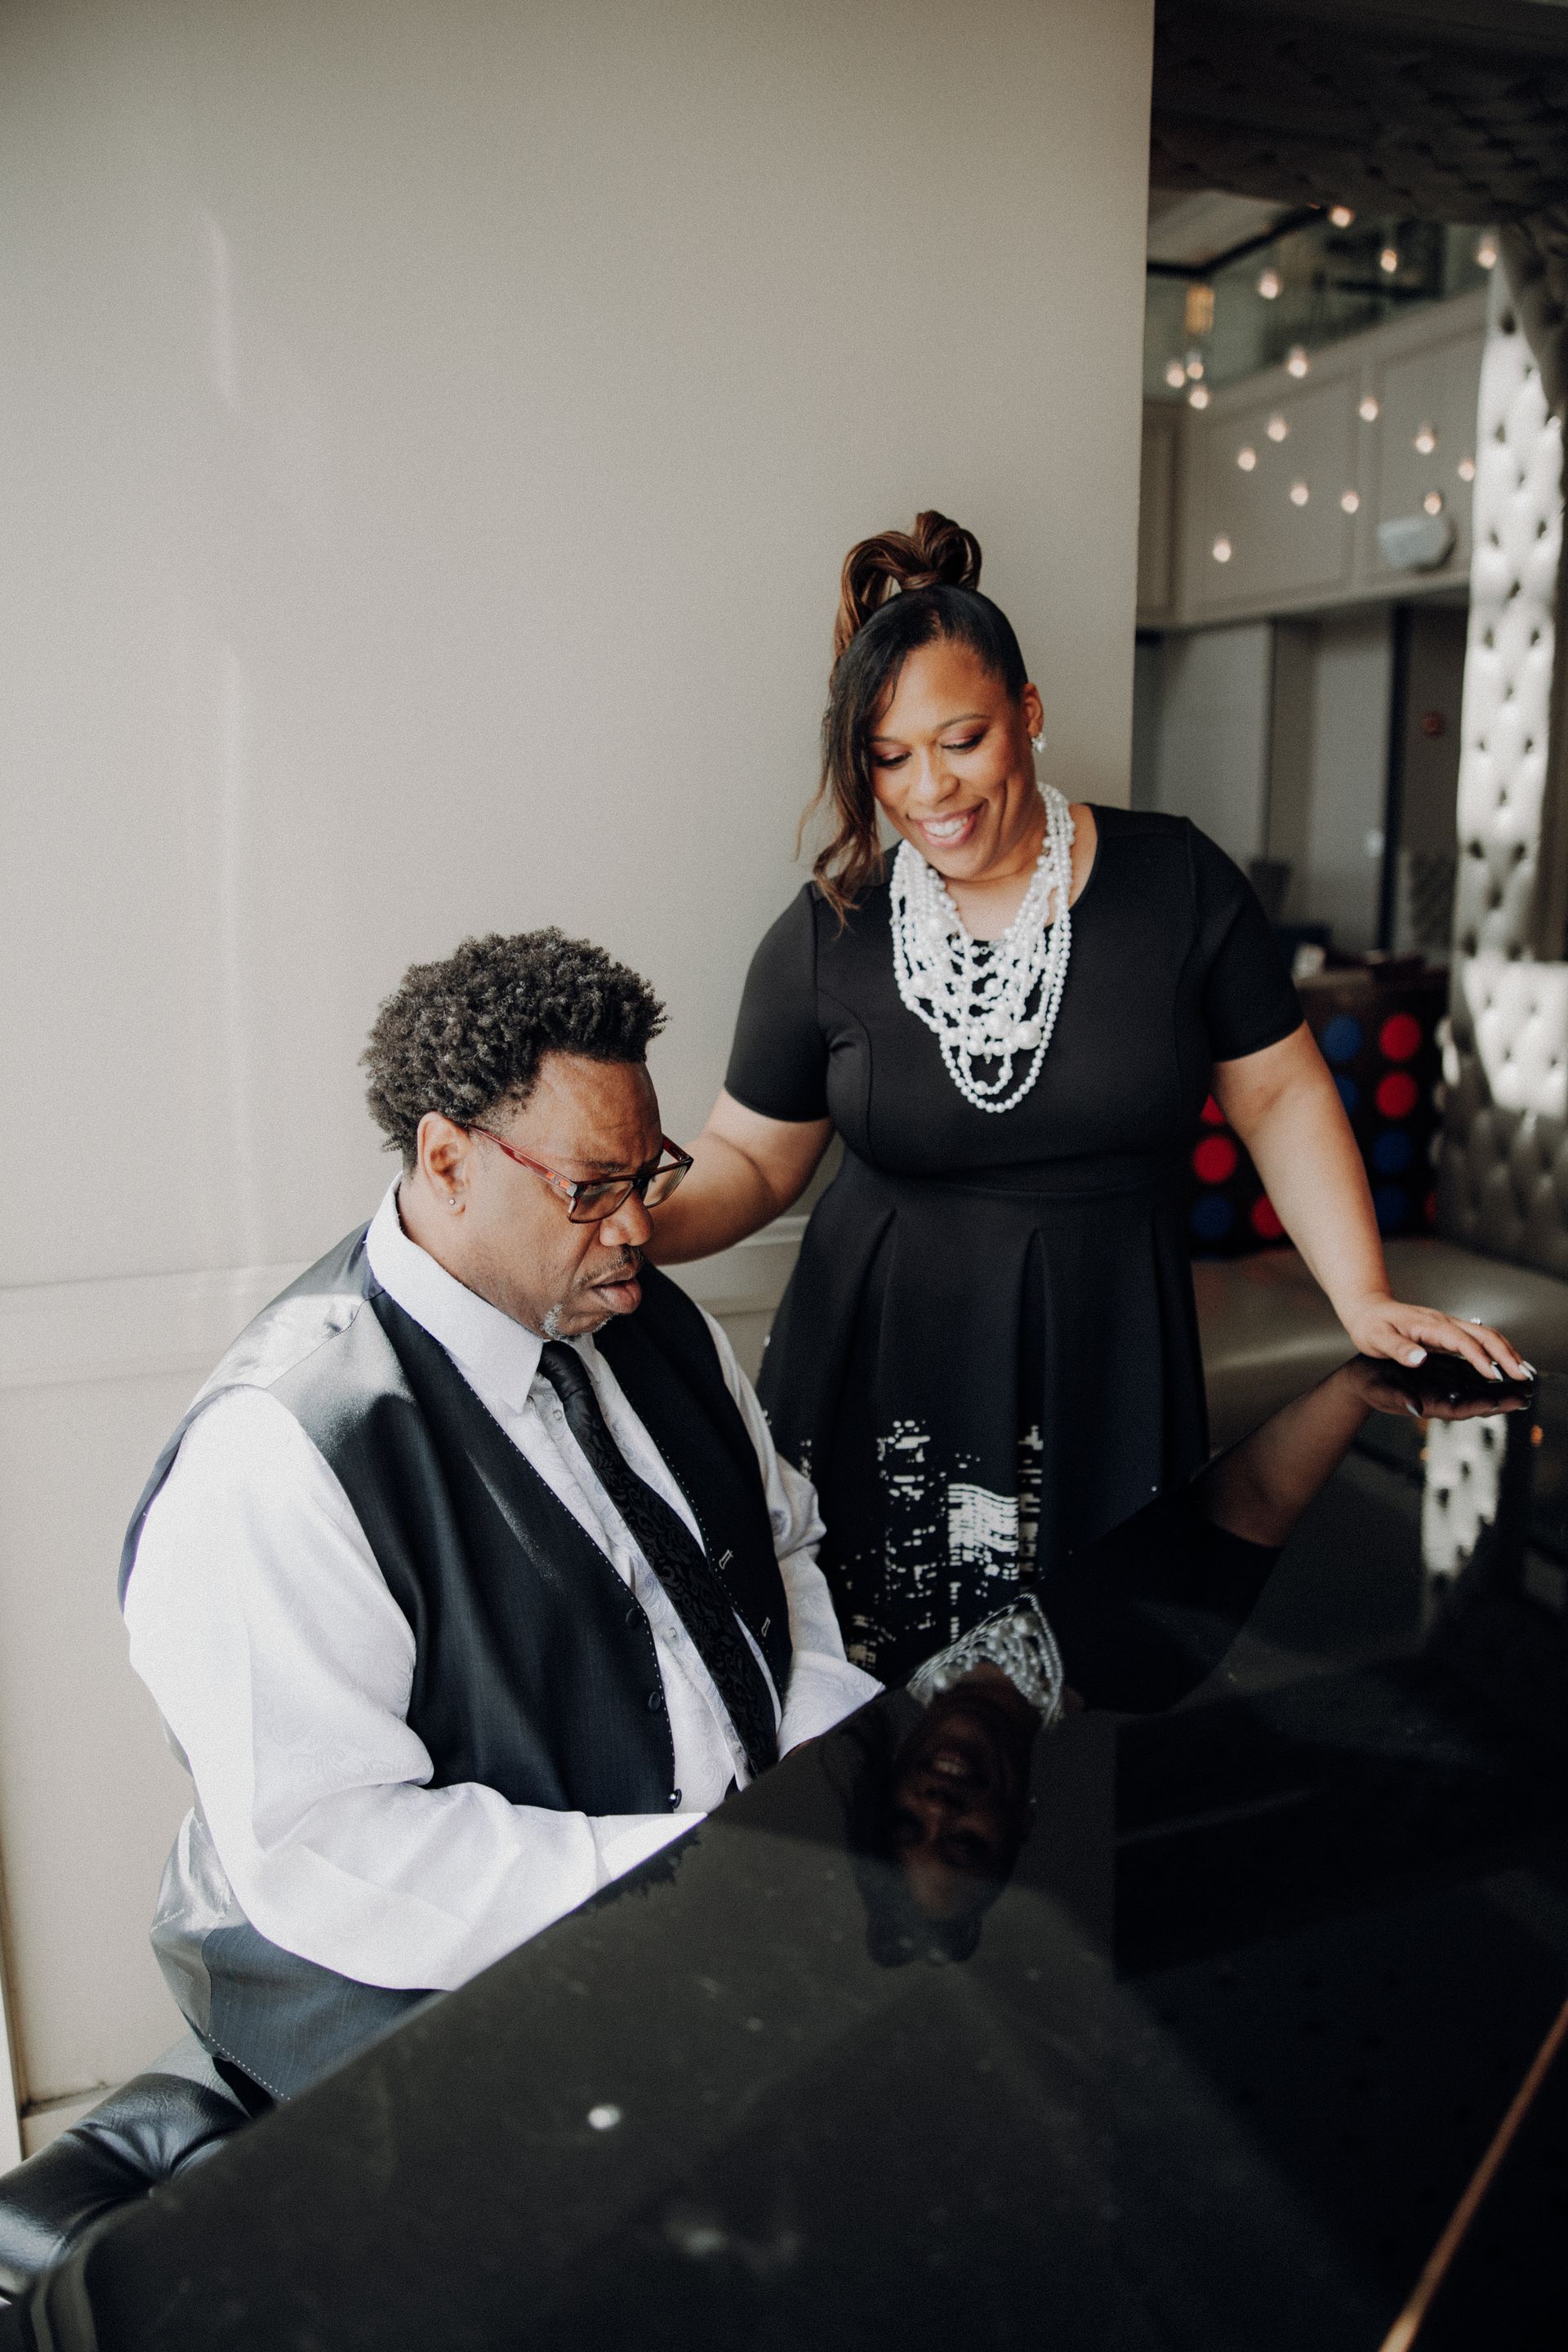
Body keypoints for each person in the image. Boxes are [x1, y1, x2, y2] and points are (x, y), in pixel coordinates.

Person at [648, 510, 1529, 1684]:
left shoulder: (1180, 885)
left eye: (960, 738)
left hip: (1108, 1369)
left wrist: (1361, 1296)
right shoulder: (833, 932)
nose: (929, 788)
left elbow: (1279, 1097)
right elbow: (750, 1160)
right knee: (862, 1713)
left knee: (1107, 1686)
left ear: (1029, 710)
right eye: (890, 757)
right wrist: (622, 1224)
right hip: (878, 1385)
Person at [119, 930, 880, 2100]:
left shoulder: (654, 1324)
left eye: (648, 1175)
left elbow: (784, 1547)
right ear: (447, 1158)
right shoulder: (286, 1447)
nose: (635, 1229)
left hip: (742, 1906)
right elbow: (332, 1849)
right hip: (435, 2004)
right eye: (590, 1189)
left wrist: (825, 1766)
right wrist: (703, 1882)